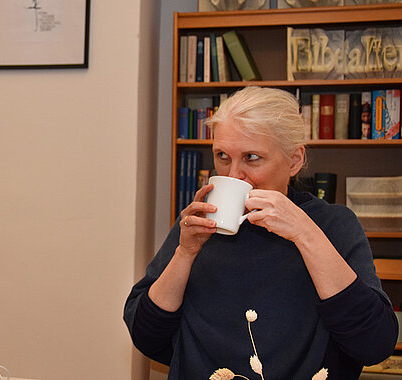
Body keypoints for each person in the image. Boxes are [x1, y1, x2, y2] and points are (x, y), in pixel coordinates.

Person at [124, 86, 397, 379]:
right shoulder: (200, 225)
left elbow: (375, 344)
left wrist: (304, 233)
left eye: (252, 157)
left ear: (294, 161)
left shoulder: (333, 225)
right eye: (222, 155)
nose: (233, 175)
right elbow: (146, 337)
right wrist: (185, 253)